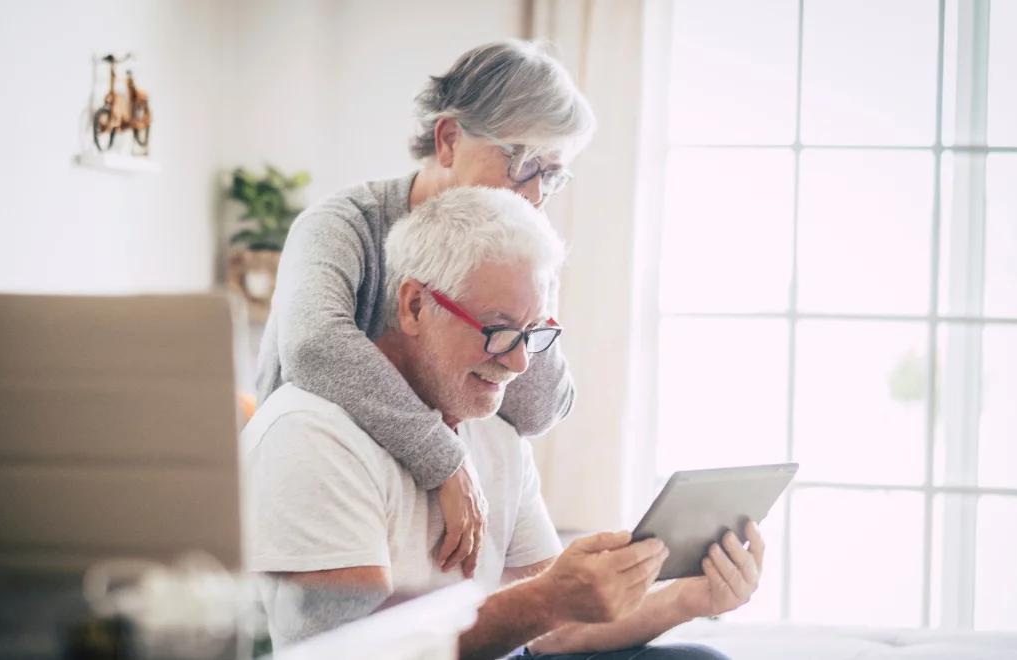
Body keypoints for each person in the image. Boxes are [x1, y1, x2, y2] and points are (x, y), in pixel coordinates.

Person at [245, 188, 762, 659]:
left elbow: (555, 631)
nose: (519, 365)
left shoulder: (489, 425)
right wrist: (544, 600)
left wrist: (687, 598)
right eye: (498, 330)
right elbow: (357, 652)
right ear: (414, 305)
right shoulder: (313, 435)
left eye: (533, 333)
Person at [255, 40, 595, 576]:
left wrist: (526, 279)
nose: (534, 194)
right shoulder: (341, 225)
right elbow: (313, 345)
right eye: (522, 162)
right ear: (449, 139)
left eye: (551, 175)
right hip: (322, 505)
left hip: (429, 534)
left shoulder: (520, 241)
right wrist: (444, 456)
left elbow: (536, 409)